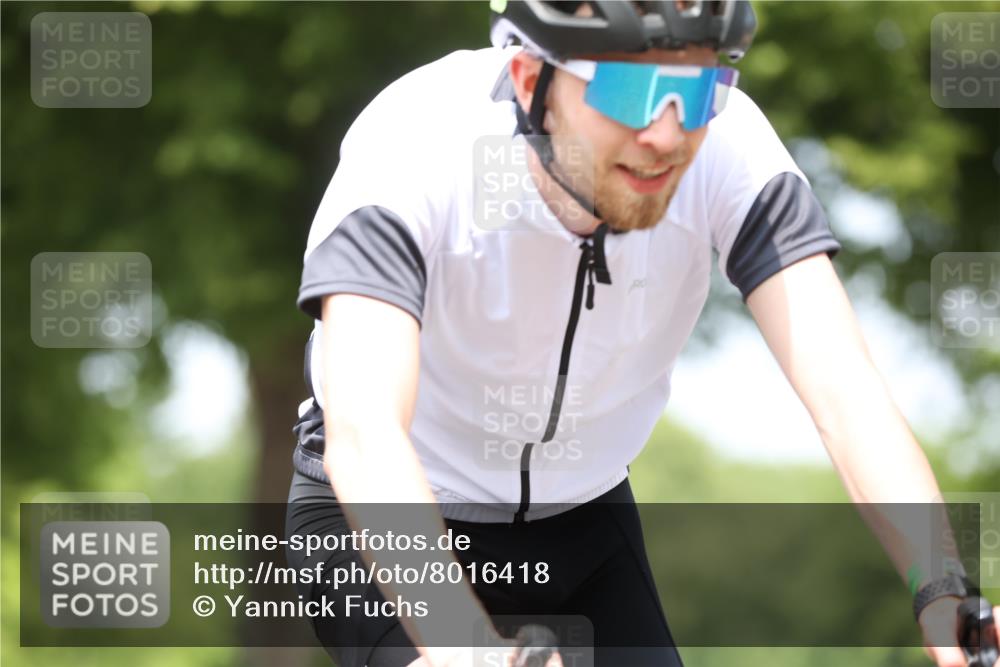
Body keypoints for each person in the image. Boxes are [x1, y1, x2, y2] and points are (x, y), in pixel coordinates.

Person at [285, 1, 998, 666]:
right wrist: (463, 644)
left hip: (584, 520)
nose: (664, 136)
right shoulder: (415, 144)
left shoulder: (732, 151)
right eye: (628, 93)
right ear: (531, 79)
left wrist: (943, 590)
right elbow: (367, 433)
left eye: (697, 92)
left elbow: (845, 393)